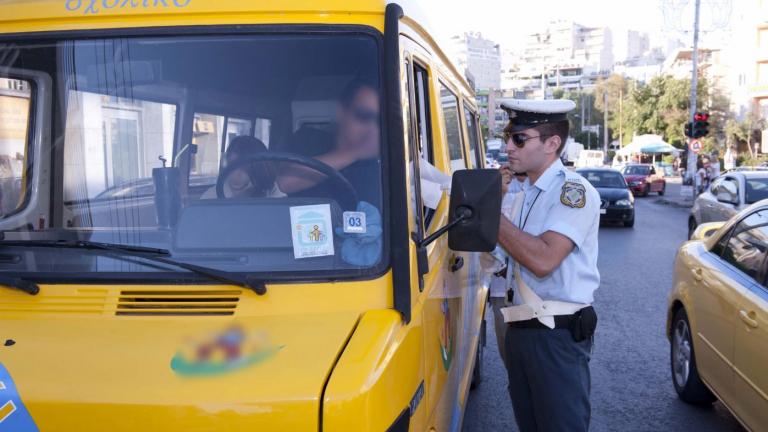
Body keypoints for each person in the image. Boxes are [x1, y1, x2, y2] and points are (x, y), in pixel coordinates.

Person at [495, 98, 600, 432]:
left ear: (552, 144)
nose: (508, 146)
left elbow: (543, 259)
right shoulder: (525, 193)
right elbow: (497, 262)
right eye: (507, 137)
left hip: (554, 337)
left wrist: (487, 214)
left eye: (519, 138)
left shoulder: (573, 192)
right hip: (522, 333)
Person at [277, 79, 381, 206]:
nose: (372, 128)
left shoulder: (379, 166)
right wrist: (356, 152)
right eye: (364, 115)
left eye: (379, 121)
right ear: (342, 112)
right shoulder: (307, 139)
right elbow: (285, 182)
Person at [489, 166, 526, 368]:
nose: (513, 148)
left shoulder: (546, 186)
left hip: (533, 290)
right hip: (501, 287)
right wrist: (497, 192)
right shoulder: (497, 182)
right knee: (507, 350)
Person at [201, 136, 285, 199]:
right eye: (232, 165)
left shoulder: (271, 189)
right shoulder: (211, 196)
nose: (236, 173)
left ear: (258, 168)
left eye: (244, 167)